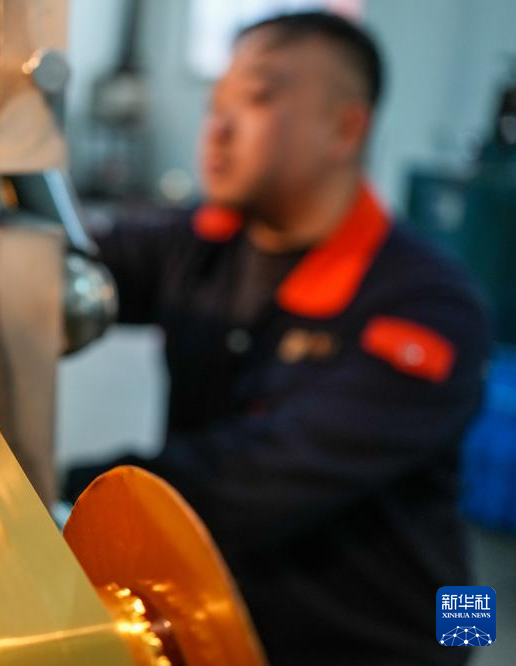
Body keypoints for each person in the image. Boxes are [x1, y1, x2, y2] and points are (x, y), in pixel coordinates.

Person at [63, 11, 491, 666]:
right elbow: (64, 265)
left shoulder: (429, 305)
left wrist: (68, 494)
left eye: (257, 99)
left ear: (345, 128)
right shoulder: (202, 243)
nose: (218, 127)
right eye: (215, 104)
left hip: (397, 637)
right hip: (237, 616)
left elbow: (257, 476)